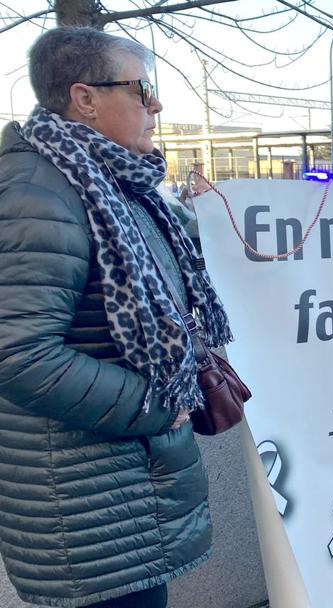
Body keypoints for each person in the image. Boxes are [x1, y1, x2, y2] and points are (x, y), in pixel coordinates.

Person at [0, 27, 234, 607]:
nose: (155, 104)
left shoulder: (109, 182)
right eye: (141, 88)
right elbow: (18, 353)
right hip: (85, 507)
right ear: (85, 99)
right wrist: (159, 406)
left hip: (119, 495)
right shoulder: (38, 193)